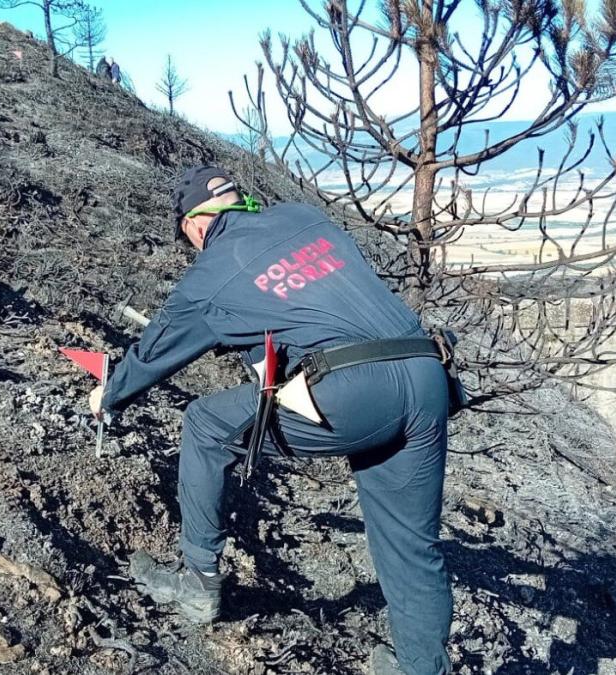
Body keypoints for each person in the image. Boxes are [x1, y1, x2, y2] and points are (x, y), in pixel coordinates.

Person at [88, 165, 452, 674]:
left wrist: (110, 395)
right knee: (411, 544)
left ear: (196, 225)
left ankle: (197, 582)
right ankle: (421, 668)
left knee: (205, 425)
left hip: (353, 391)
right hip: (427, 374)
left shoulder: (211, 271)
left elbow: (154, 354)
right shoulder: (304, 217)